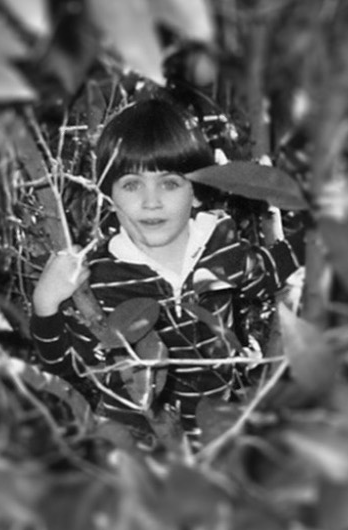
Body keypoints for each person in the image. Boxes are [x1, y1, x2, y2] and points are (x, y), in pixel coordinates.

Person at [29, 96, 301, 441]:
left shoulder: (218, 242)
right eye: (131, 184)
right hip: (140, 446)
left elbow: (264, 272)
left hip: (217, 436)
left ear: (197, 193)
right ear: (108, 195)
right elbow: (66, 365)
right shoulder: (100, 277)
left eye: (169, 183)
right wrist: (46, 304)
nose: (151, 201)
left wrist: (316, 232)